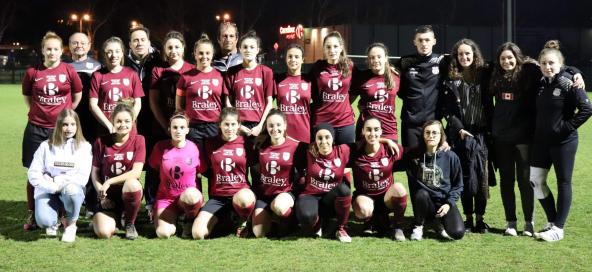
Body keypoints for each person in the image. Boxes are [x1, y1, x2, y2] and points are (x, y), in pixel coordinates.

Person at [530, 41, 592, 242]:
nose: (547, 67)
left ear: (560, 65)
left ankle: (559, 228)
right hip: (541, 142)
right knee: (535, 181)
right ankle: (551, 221)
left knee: (563, 182)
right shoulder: (540, 82)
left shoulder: (567, 82)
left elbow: (587, 109)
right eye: (544, 63)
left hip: (563, 142)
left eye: (551, 63)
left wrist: (566, 128)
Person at [22, 31, 83, 230]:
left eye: (56, 49)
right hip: (36, 129)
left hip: (61, 132)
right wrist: (39, 113)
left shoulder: (68, 70)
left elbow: (77, 94)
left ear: (61, 51)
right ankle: (33, 212)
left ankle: (64, 212)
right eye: (48, 49)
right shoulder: (33, 72)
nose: (52, 52)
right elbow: (28, 97)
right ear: (42, 50)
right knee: (33, 171)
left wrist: (67, 114)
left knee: (64, 171)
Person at [441, 38, 494, 233]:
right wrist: (459, 128)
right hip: (460, 135)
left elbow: (515, 61)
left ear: (475, 54)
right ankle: (468, 218)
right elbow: (448, 110)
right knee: (463, 176)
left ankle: (480, 219)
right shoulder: (451, 79)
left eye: (468, 53)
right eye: (460, 54)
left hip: (481, 134)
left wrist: (574, 72)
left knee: (481, 177)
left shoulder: (486, 73)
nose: (464, 57)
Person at [489, 42, 539, 236]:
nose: (506, 61)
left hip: (524, 137)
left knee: (525, 180)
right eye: (502, 58)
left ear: (517, 57)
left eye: (510, 57)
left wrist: (574, 72)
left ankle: (529, 223)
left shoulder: (529, 73)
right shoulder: (495, 75)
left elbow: (554, 66)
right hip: (502, 137)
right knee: (506, 180)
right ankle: (511, 223)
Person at [146, 31, 194, 219]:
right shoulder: (158, 70)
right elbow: (153, 101)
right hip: (163, 127)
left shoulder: (191, 68)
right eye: (169, 47)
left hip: (185, 129)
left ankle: (189, 205)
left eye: (177, 47)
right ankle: (152, 204)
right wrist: (165, 124)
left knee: (188, 167)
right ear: (165, 50)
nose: (173, 51)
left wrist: (184, 127)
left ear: (183, 48)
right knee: (157, 167)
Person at [27, 109, 92, 242]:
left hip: (69, 189)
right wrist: (52, 187)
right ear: (58, 125)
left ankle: (71, 225)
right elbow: (33, 173)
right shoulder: (45, 146)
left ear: (77, 126)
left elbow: (82, 177)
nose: (69, 128)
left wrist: (56, 180)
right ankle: (54, 221)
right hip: (49, 189)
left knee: (72, 190)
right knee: (44, 221)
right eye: (65, 124)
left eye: (73, 124)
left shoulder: (85, 147)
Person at [193, 107, 256, 239]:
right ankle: (227, 221)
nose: (230, 128)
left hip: (240, 193)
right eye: (226, 124)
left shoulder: (246, 143)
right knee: (198, 233)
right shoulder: (210, 143)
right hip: (218, 197)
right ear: (219, 124)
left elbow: (256, 167)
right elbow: (204, 170)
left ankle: (244, 222)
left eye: (233, 124)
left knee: (244, 198)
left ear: (239, 125)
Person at [91, 103, 145, 240]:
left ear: (132, 122)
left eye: (127, 121)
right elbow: (95, 173)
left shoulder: (139, 140)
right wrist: (102, 196)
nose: (123, 124)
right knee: (103, 233)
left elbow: (136, 172)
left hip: (128, 193)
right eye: (119, 121)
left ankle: (129, 223)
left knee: (132, 184)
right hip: (108, 196)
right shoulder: (101, 142)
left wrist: (109, 181)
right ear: (112, 121)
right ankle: (111, 219)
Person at [405, 120, 465, 241]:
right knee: (421, 194)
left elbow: (458, 185)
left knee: (457, 233)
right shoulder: (415, 155)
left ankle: (437, 222)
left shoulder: (450, 156)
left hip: (444, 202)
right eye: (427, 132)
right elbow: (395, 158)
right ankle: (418, 226)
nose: (431, 136)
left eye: (435, 133)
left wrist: (448, 204)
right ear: (423, 135)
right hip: (425, 201)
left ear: (441, 136)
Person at [251, 109, 306, 237]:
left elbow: (302, 176)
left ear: (285, 125)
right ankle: (272, 218)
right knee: (259, 233)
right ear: (266, 127)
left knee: (280, 207)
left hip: (285, 193)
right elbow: (255, 171)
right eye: (271, 125)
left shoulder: (296, 146)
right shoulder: (260, 145)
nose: (275, 129)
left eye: (278, 125)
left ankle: (292, 220)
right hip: (265, 195)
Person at [349, 117, 407, 240]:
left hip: (386, 199)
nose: (372, 133)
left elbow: (412, 152)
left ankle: (398, 227)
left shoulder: (390, 149)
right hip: (366, 198)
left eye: (376, 130)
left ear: (381, 131)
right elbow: (333, 152)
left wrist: (439, 145)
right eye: (368, 130)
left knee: (400, 188)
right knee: (362, 209)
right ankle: (369, 221)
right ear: (363, 131)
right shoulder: (354, 150)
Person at [149, 112, 204, 239]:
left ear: (187, 130)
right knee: (163, 233)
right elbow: (152, 176)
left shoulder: (194, 148)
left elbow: (200, 174)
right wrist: (151, 202)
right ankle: (178, 221)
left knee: (191, 194)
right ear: (169, 129)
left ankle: (189, 219)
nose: (178, 131)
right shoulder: (160, 147)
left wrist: (198, 201)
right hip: (166, 199)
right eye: (175, 127)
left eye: (182, 127)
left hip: (187, 198)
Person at [295, 123, 353, 243]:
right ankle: (317, 222)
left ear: (333, 138)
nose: (323, 141)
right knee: (306, 217)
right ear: (314, 140)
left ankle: (340, 228)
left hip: (330, 198)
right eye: (319, 138)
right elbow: (287, 141)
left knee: (344, 190)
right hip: (311, 195)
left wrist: (387, 141)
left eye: (327, 137)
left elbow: (367, 143)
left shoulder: (343, 150)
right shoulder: (308, 150)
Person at [396, 25, 449, 149]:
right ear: (414, 41)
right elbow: (399, 90)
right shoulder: (405, 62)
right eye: (420, 40)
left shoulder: (442, 61)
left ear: (434, 41)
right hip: (411, 123)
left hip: (433, 123)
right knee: (412, 162)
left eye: (427, 40)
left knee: (433, 162)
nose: (424, 44)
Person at [176, 33, 225, 147]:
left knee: (213, 162)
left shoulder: (220, 76)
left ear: (212, 54)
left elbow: (225, 102)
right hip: (193, 127)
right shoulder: (185, 77)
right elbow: (178, 106)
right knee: (195, 162)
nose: (204, 56)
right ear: (195, 54)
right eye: (201, 53)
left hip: (214, 127)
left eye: (207, 53)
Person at [89, 37, 144, 135]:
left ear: (122, 53)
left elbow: (138, 103)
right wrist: (109, 126)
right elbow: (93, 105)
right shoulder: (97, 75)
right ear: (104, 54)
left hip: (128, 129)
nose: (114, 55)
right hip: (105, 129)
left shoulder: (131, 73)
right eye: (109, 52)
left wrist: (128, 123)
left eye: (117, 51)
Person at [224, 30, 274, 138]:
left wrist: (260, 126)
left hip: (259, 126)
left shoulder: (266, 72)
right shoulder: (232, 72)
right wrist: (237, 125)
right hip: (237, 126)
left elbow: (269, 102)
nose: (248, 50)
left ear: (257, 50)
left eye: (252, 47)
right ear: (240, 49)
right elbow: (227, 102)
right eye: (245, 47)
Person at [310, 31, 356, 145]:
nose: (332, 50)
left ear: (341, 48)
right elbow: (306, 85)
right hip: (322, 121)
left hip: (345, 122)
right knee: (321, 159)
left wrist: (388, 68)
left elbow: (364, 81)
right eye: (328, 47)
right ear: (324, 49)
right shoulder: (318, 66)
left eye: (335, 46)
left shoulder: (350, 66)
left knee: (346, 158)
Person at [351, 43, 400, 141]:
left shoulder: (397, 77)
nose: (376, 60)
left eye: (379, 57)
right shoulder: (362, 77)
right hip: (367, 131)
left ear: (386, 58)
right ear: (368, 60)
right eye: (372, 57)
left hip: (388, 131)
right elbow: (347, 101)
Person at [67, 32, 102, 143]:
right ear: (69, 45)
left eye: (83, 43)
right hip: (68, 114)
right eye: (75, 43)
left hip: (91, 116)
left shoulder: (98, 66)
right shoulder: (62, 66)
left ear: (89, 45)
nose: (79, 45)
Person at [274, 43, 312, 143]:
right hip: (282, 135)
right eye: (290, 56)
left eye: (296, 57)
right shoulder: (278, 80)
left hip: (304, 134)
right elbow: (267, 103)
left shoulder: (309, 80)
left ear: (303, 59)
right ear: (286, 59)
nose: (293, 60)